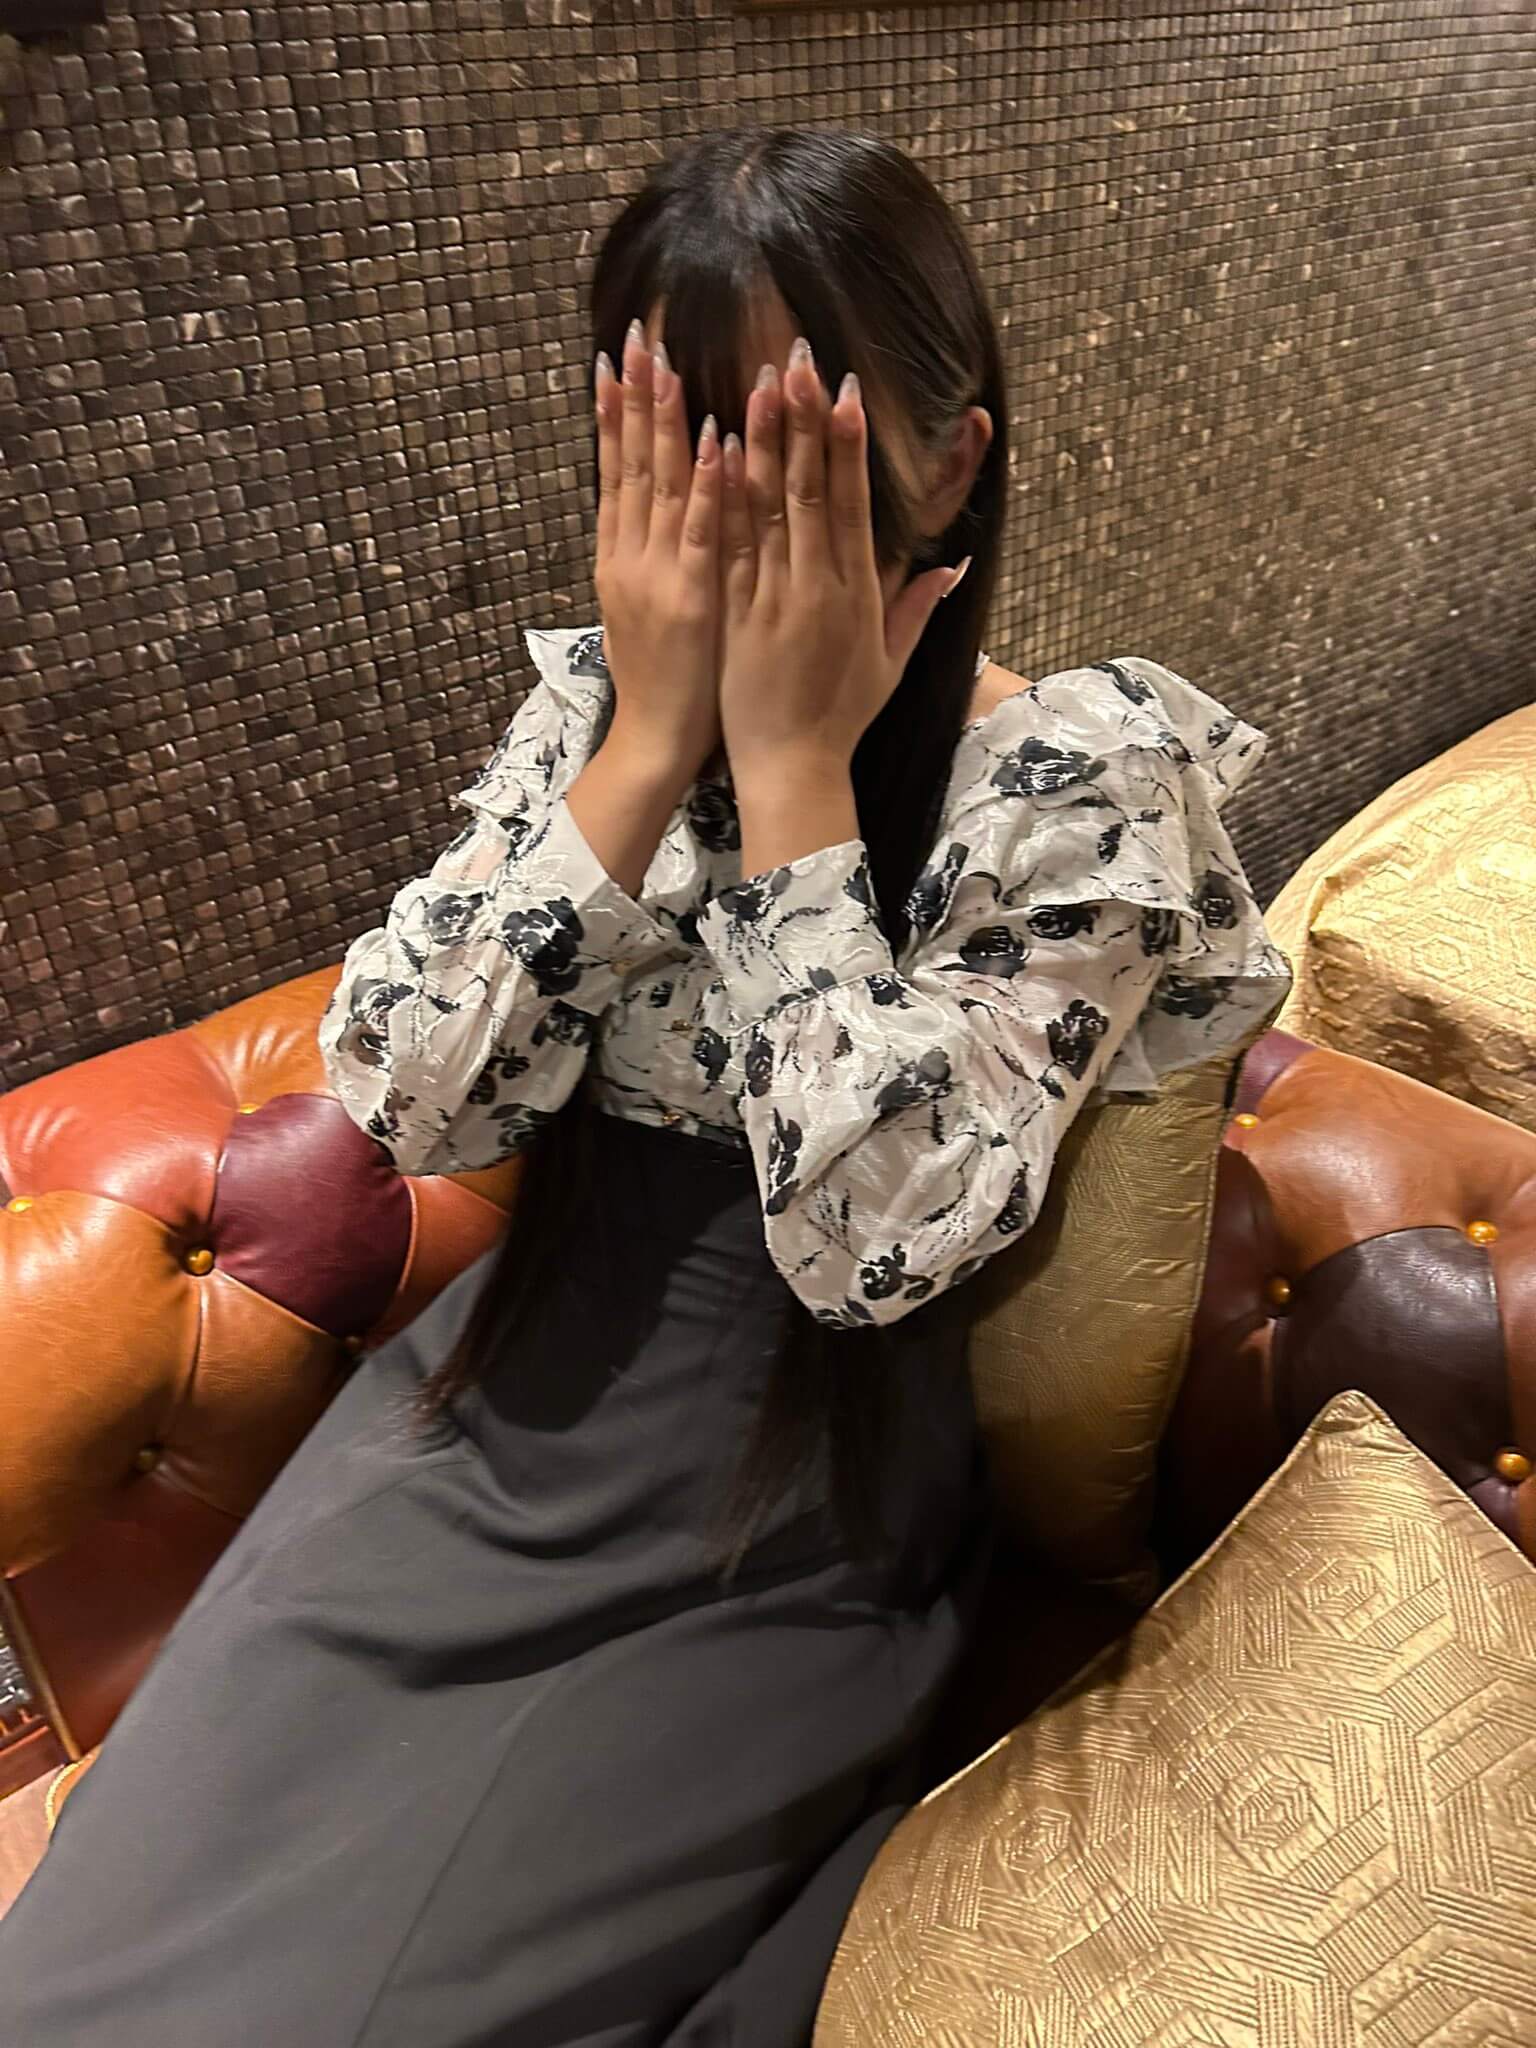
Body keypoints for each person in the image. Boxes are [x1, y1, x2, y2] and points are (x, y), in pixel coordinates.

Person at [0, 126, 1290, 2045]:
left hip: (784, 1492)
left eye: (791, 441)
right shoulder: (596, 713)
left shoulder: (1081, 775)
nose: (728, 506)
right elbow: (405, 1106)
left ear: (949, 459)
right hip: (479, 1412)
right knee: (84, 1979)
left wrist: (792, 782)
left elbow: (872, 1248)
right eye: (677, 440)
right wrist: (645, 742)